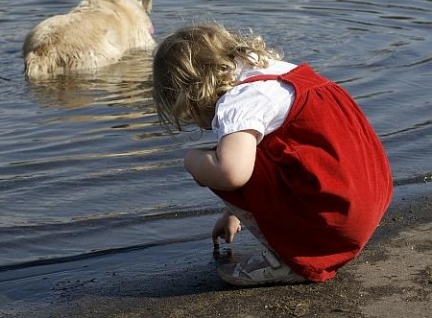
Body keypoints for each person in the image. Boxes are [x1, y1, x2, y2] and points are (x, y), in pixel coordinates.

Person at [152, 22, 393, 286]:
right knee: (242, 150)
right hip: (365, 200)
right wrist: (233, 212)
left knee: (215, 161)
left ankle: (288, 261)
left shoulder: (238, 103)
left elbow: (232, 174)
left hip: (334, 221)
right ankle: (307, 242)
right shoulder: (276, 74)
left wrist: (192, 161)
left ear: (191, 92)